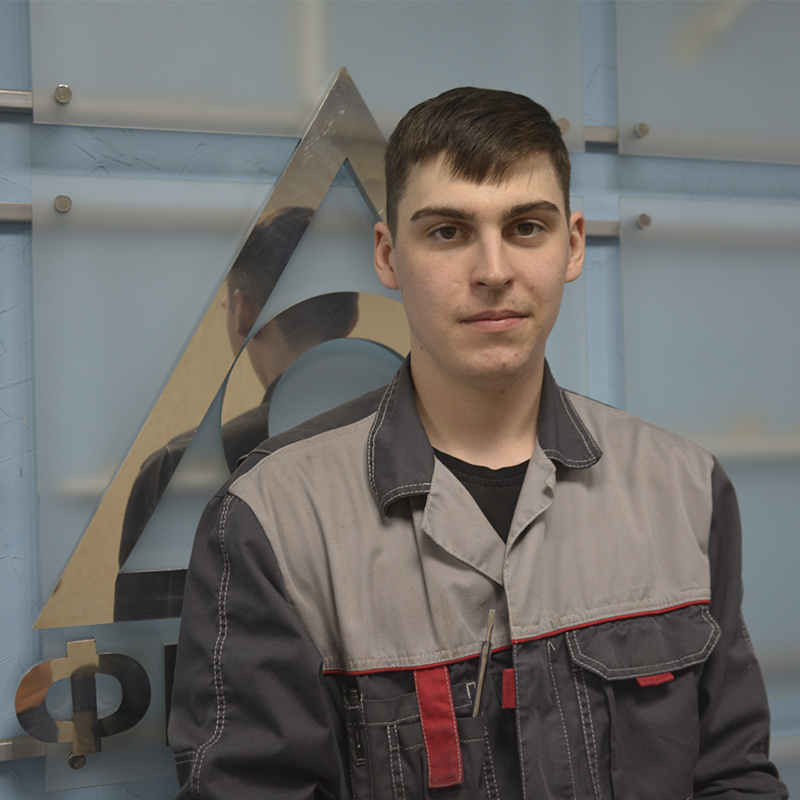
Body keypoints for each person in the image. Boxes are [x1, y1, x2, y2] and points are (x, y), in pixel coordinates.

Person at [168, 88, 788, 799]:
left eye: (526, 227)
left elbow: (734, 776)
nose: (493, 270)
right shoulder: (274, 518)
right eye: (448, 231)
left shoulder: (684, 487)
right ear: (388, 256)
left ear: (572, 245)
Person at [115, 207, 358, 620]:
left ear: (245, 314)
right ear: (352, 317)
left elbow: (146, 654)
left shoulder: (182, 472)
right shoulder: (422, 443)